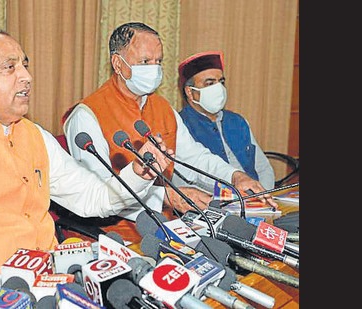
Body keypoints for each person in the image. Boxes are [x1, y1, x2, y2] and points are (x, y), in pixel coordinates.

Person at [0, 27, 172, 308]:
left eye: (24, 65)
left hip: (53, 292)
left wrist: (137, 174)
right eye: (9, 67)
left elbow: (93, 199)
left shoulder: (35, 135)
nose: (26, 77)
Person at [62, 22, 277, 219]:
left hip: (171, 222)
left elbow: (195, 158)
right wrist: (165, 196)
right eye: (145, 61)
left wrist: (234, 176)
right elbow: (97, 191)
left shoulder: (163, 108)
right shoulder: (87, 116)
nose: (154, 69)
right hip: (116, 230)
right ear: (118, 64)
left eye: (159, 61)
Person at [177, 50, 275, 190]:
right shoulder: (179, 125)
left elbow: (263, 168)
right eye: (209, 83)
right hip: (214, 206)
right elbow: (186, 181)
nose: (218, 88)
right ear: (190, 92)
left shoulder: (238, 121)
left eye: (221, 82)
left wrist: (263, 197)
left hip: (257, 203)